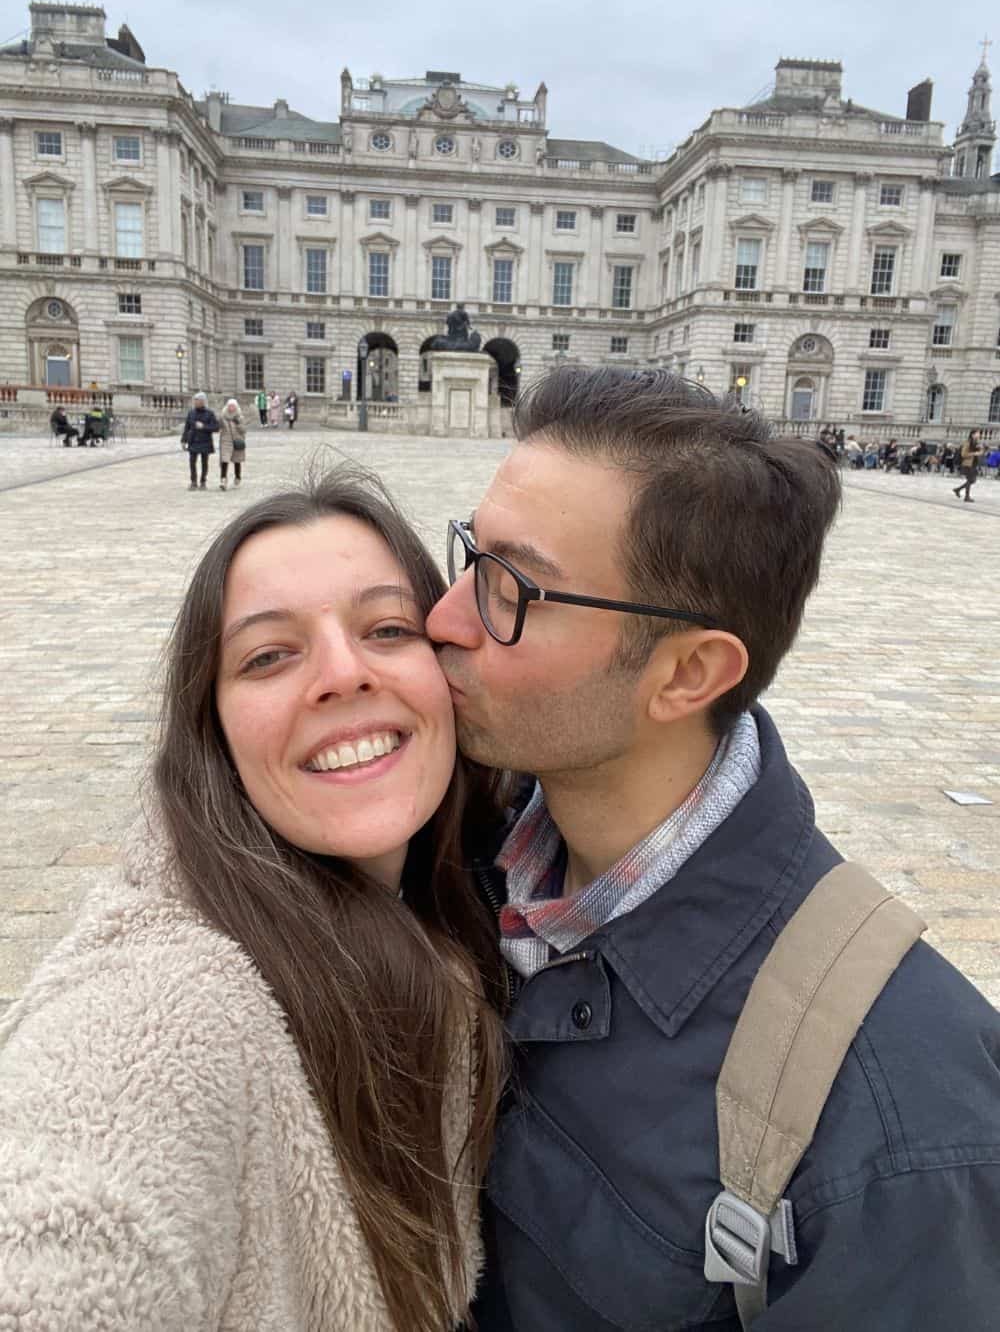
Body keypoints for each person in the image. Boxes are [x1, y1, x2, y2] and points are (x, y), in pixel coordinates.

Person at [424, 365, 1000, 1331]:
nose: (442, 618)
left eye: (509, 588)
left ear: (688, 673)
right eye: (468, 555)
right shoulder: (455, 853)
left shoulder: (903, 1128)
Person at [0, 469, 506, 1332]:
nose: (343, 675)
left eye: (387, 628)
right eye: (269, 655)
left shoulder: (475, 903)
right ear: (213, 732)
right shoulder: (155, 1011)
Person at [181, 391, 219, 490]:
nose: (195, 402)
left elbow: (216, 427)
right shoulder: (191, 413)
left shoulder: (210, 413)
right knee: (192, 462)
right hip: (193, 440)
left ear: (203, 401)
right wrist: (183, 440)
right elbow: (187, 427)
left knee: (204, 463)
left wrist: (204, 426)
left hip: (205, 441)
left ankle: (203, 482)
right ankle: (193, 482)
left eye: (197, 400)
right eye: (195, 400)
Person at [218, 397, 246, 490]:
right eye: (230, 406)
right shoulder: (223, 417)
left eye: (233, 406)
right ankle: (223, 479)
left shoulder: (240, 417)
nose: (231, 408)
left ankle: (238, 476)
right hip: (226, 441)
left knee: (237, 461)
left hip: (237, 441)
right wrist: (219, 422)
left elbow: (243, 430)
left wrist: (238, 424)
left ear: (236, 407)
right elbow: (219, 428)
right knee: (224, 461)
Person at [953, 428, 985, 502]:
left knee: (972, 480)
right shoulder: (967, 443)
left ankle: (958, 489)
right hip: (967, 464)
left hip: (973, 464)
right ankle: (966, 497)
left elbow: (979, 452)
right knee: (970, 480)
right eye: (978, 433)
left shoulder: (975, 443)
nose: (979, 434)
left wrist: (981, 449)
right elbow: (963, 454)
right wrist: (974, 453)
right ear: (973, 434)